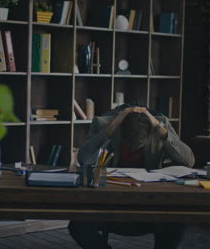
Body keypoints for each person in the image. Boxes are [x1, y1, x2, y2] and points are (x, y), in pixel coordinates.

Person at [68, 104, 195, 249]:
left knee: (177, 219)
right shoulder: (102, 123)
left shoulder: (160, 124)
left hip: (150, 201)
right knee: (78, 225)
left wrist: (159, 129)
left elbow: (188, 161)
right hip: (111, 201)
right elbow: (84, 158)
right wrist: (112, 127)